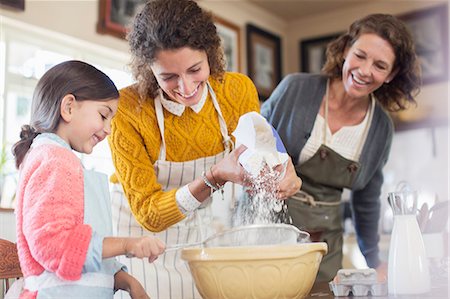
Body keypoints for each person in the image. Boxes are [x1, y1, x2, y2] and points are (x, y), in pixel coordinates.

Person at [108, 0, 302, 298]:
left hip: (202, 236)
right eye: (168, 76)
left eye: (194, 69)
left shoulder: (237, 90)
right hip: (142, 245)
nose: (185, 87)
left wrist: (282, 172)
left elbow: (261, 152)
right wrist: (213, 178)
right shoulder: (128, 110)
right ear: (148, 70)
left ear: (210, 54)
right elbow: (149, 214)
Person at [261, 13, 421, 282]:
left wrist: (374, 260)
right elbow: (254, 139)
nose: (365, 70)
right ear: (346, 50)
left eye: (380, 65)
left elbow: (367, 200)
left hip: (322, 245)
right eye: (360, 55)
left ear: (391, 75)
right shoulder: (295, 88)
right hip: (264, 229)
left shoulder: (380, 128)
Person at [12, 60, 165, 298]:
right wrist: (126, 244)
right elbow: (54, 245)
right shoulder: (54, 160)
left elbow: (83, 249)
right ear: (69, 107)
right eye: (104, 115)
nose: (108, 129)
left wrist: (126, 281)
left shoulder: (60, 159)